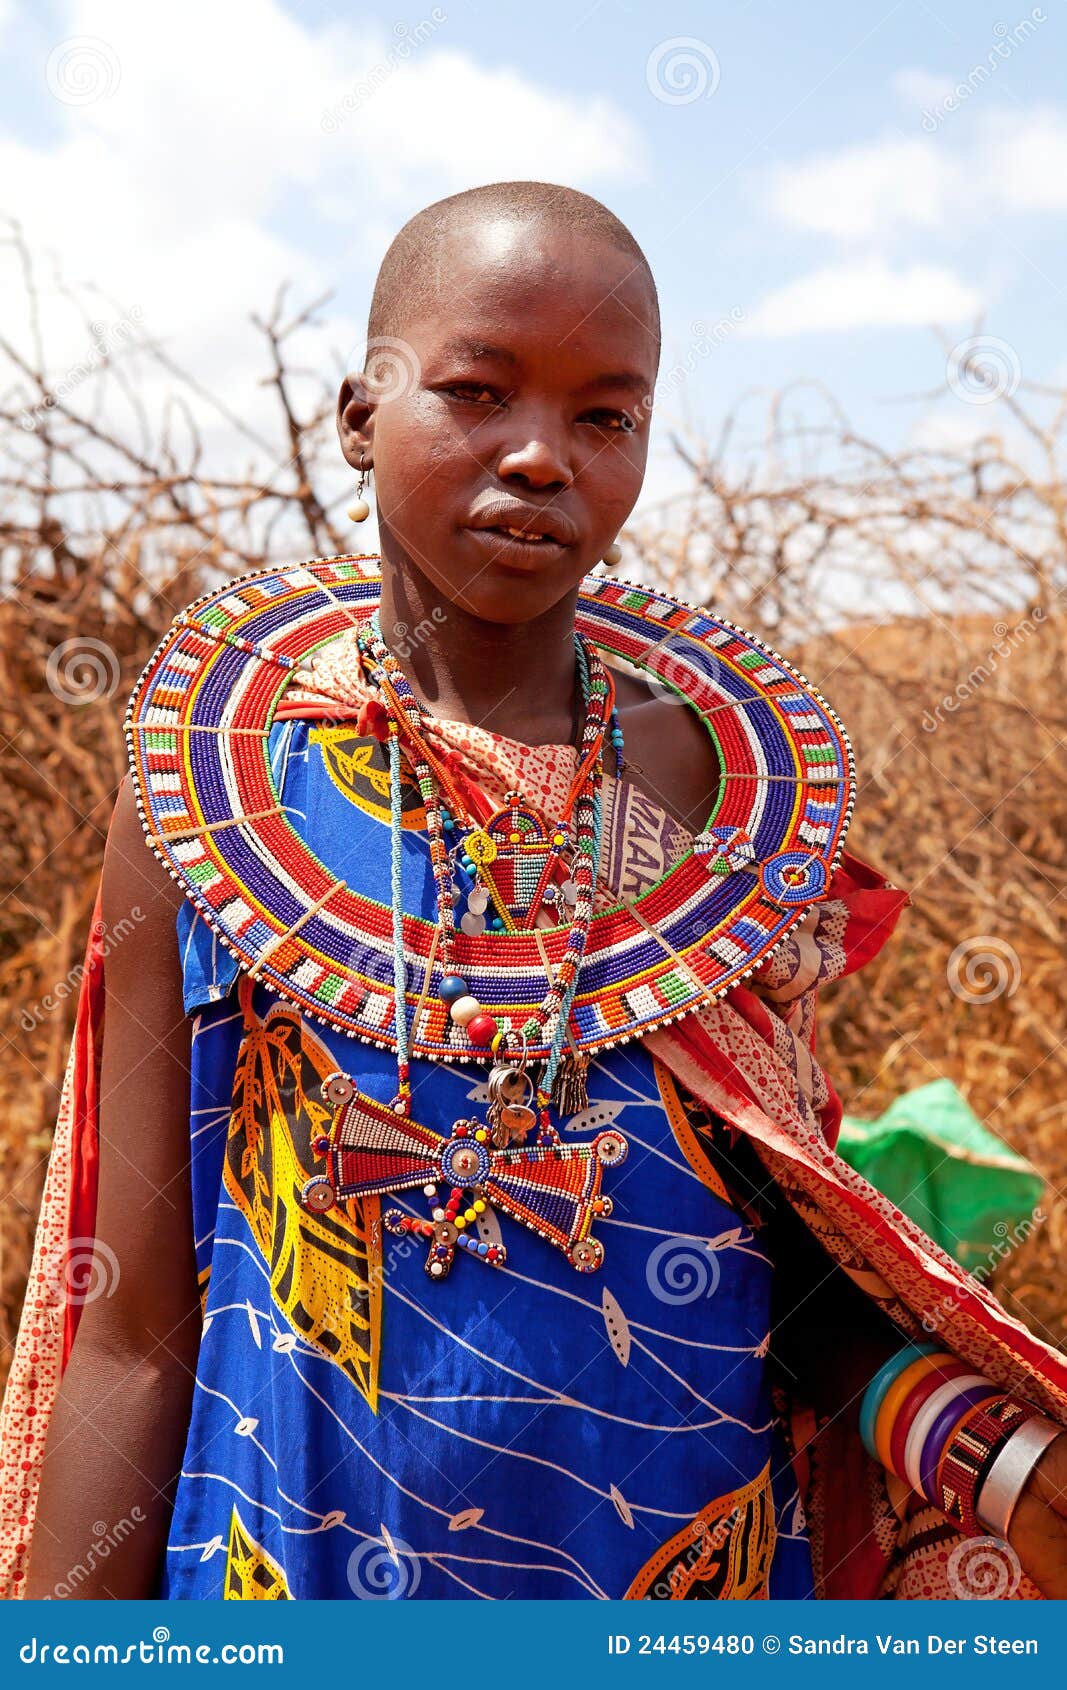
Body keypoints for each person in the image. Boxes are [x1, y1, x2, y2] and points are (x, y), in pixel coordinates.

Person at [5, 181, 1067, 1602]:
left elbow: (779, 1249)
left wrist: (985, 1450)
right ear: (359, 416)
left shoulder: (701, 795)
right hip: (297, 1570)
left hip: (678, 1575)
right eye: (477, 391)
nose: (540, 458)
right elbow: (132, 1331)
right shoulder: (225, 794)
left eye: (603, 416)